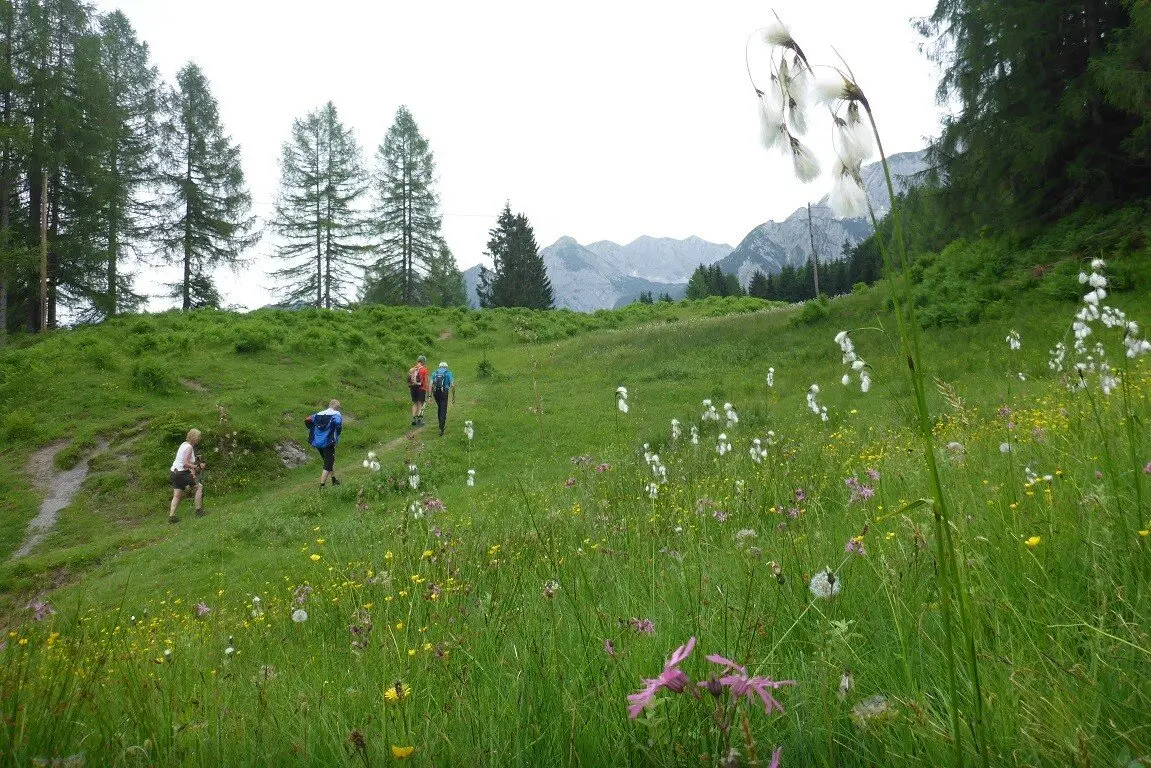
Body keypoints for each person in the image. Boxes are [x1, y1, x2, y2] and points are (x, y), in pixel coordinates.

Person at [169, 428, 205, 523]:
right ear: (195, 438)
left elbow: (185, 461)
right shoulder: (189, 447)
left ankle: (172, 516)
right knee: (198, 487)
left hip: (174, 472)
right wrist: (197, 466)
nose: (200, 439)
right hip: (181, 473)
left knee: (177, 494)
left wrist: (193, 469)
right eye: (199, 437)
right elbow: (185, 463)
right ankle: (199, 511)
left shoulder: (184, 444)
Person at [309, 399, 343, 488]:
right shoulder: (336, 414)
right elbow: (338, 423)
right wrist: (337, 432)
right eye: (338, 407)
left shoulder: (319, 414)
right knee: (329, 462)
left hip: (318, 442)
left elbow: (308, 419)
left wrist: (312, 428)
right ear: (336, 407)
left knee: (328, 460)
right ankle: (322, 485)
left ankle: (334, 479)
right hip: (328, 441)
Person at [430, 361, 455, 436]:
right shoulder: (448, 373)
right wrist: (453, 396)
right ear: (446, 367)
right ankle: (441, 428)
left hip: (436, 393)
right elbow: (453, 385)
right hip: (444, 392)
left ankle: (440, 424)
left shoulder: (434, 373)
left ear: (439, 366)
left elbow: (431, 385)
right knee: (443, 409)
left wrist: (430, 396)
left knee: (440, 407)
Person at [408, 355, 430, 427]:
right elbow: (426, 381)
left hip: (413, 388)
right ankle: (419, 419)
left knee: (415, 403)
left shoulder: (412, 369)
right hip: (421, 388)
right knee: (420, 403)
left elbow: (409, 380)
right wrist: (428, 391)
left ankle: (414, 419)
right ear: (423, 362)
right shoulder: (424, 370)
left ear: (418, 361)